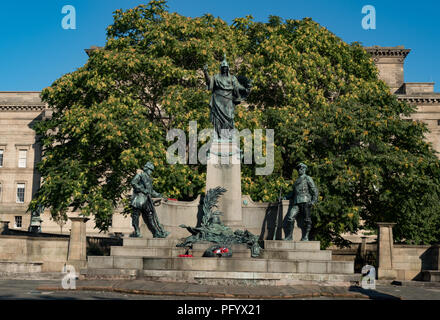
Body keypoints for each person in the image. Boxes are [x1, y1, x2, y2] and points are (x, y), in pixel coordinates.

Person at [203, 54, 252, 140]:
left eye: (226, 68)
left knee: (229, 119)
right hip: (217, 100)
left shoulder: (232, 78)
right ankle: (218, 137)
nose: (224, 69)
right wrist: (205, 72)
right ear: (221, 68)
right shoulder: (216, 77)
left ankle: (228, 137)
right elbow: (209, 82)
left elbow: (239, 87)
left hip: (228, 101)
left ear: (228, 68)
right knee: (217, 120)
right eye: (223, 68)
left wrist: (246, 88)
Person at [130, 162, 169, 238]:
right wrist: (142, 190)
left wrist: (160, 195)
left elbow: (151, 191)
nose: (151, 172)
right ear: (146, 169)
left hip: (146, 200)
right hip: (137, 200)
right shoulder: (140, 175)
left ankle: (156, 232)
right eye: (150, 170)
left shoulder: (149, 179)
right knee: (135, 217)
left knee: (151, 216)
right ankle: (137, 232)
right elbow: (133, 182)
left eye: (151, 170)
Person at [282, 163, 318, 241]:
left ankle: (305, 236)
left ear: (305, 170)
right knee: (290, 218)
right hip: (297, 202)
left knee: (307, 220)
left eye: (301, 169)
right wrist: (285, 197)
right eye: (299, 169)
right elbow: (293, 193)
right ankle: (289, 236)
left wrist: (313, 201)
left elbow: (314, 189)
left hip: (305, 201)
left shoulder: (308, 178)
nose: (300, 170)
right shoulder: (297, 181)